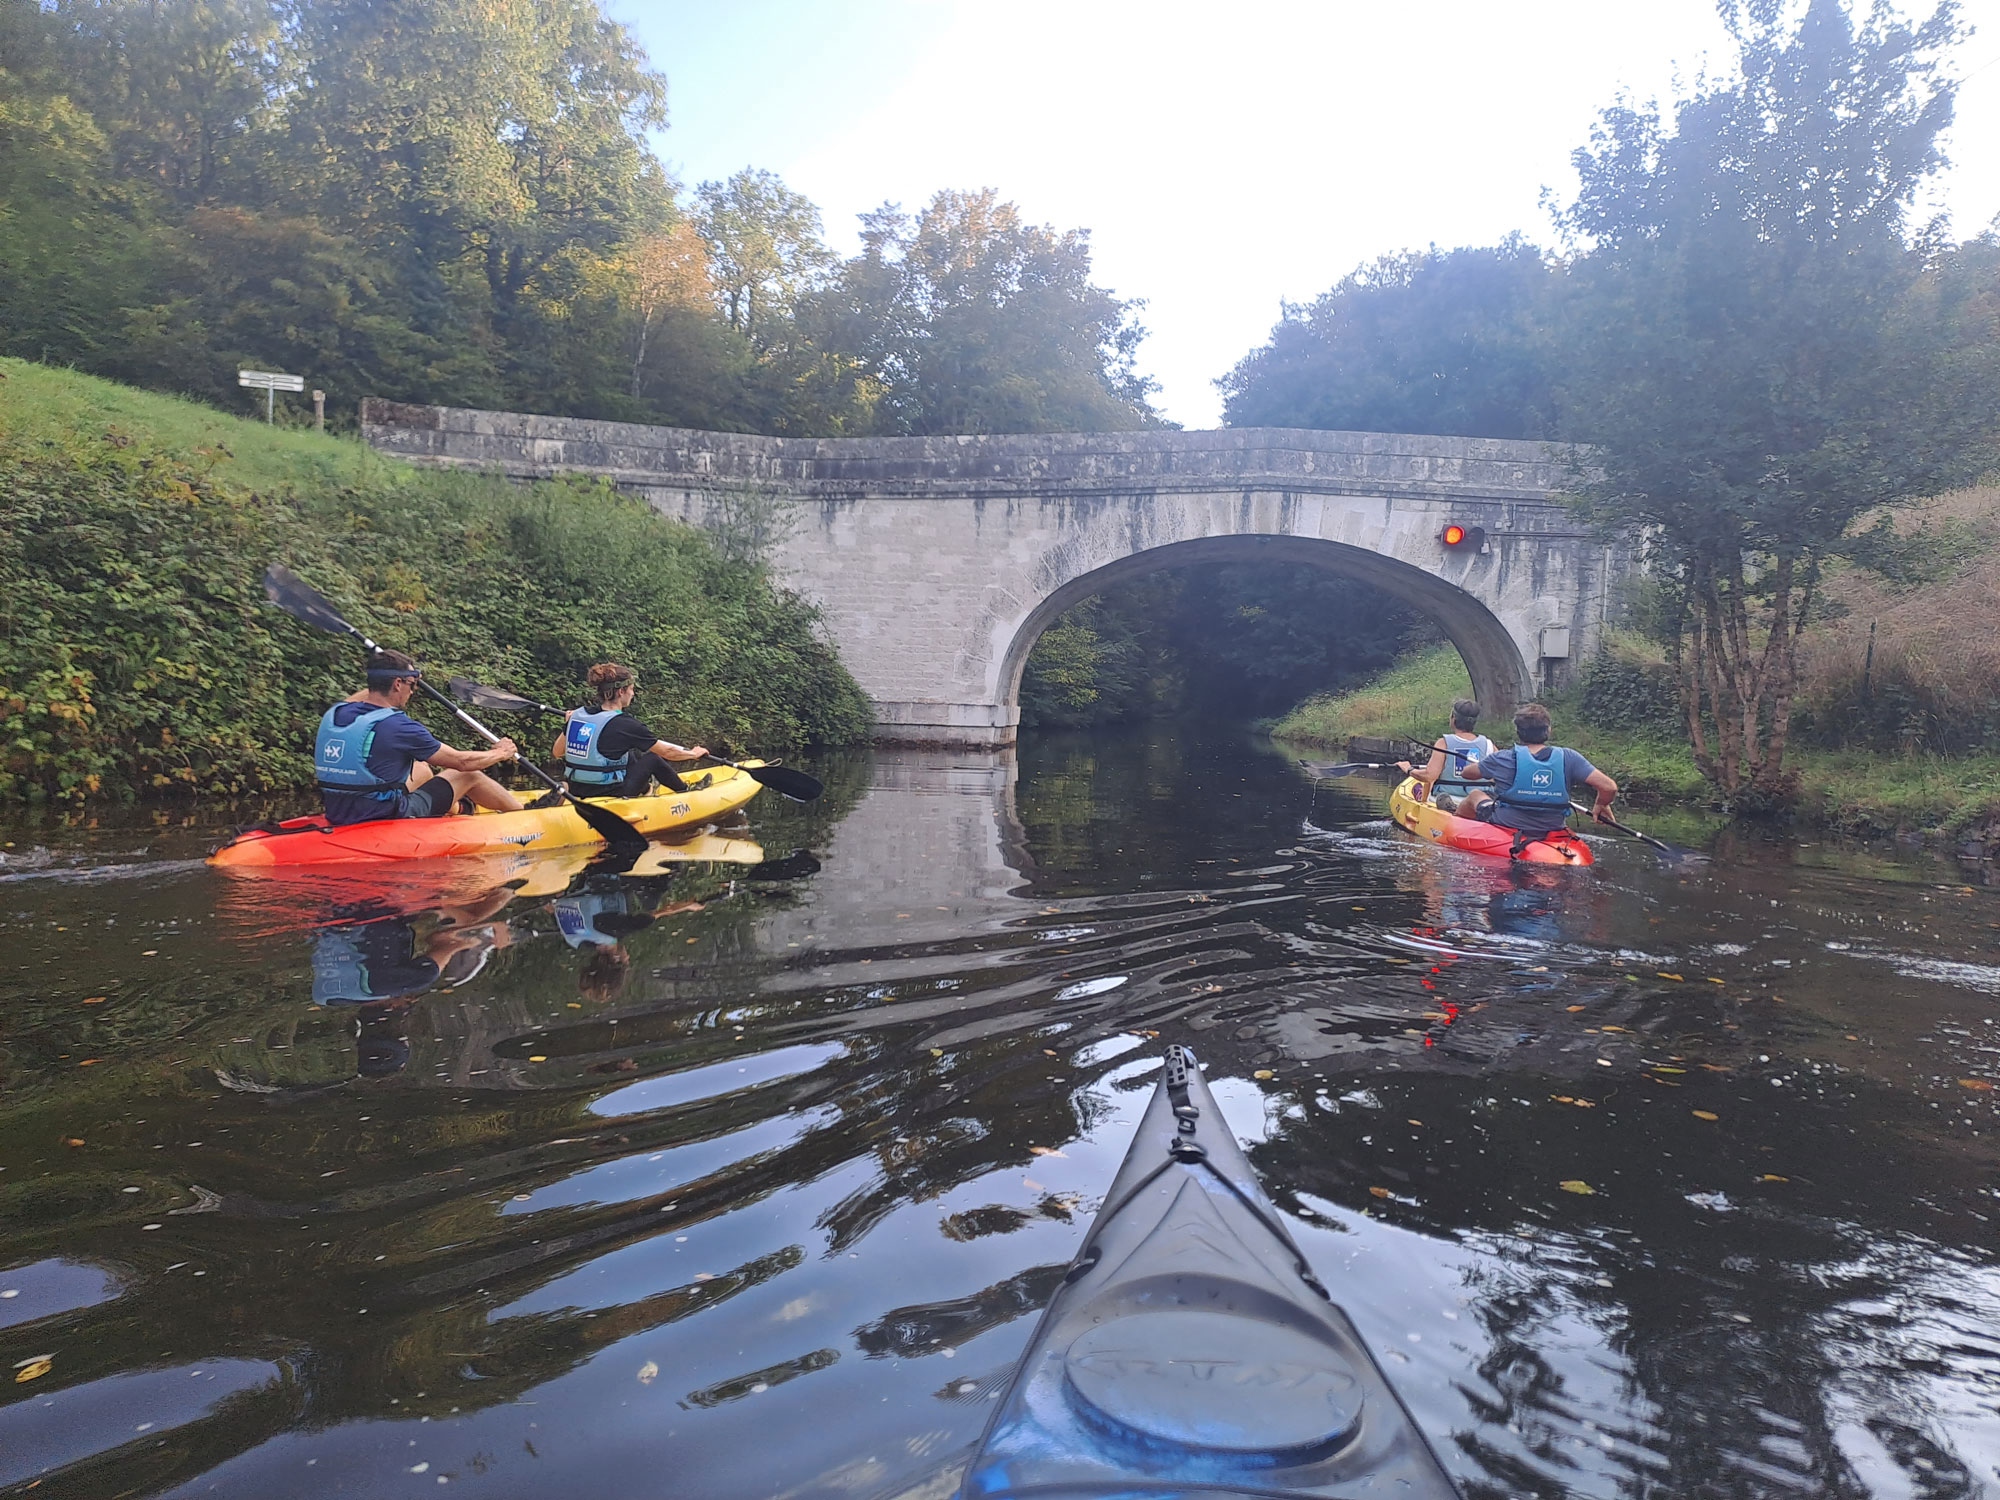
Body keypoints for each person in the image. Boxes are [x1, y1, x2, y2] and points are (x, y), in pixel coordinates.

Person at [316, 649, 523, 827]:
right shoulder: (401, 727)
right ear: (398, 684)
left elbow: (372, 691)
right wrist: (501, 752)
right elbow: (462, 762)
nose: (413, 691)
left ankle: (457, 809)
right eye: (411, 685)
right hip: (384, 814)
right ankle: (524, 815)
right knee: (470, 776)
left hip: (339, 811)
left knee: (422, 768)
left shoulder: (336, 712)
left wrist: (401, 676)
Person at [1459, 702, 1617, 850]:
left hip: (1507, 825)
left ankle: (1455, 825)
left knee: (1475, 795)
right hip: (1552, 827)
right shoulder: (1569, 757)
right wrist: (1601, 804)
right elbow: (1609, 787)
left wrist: (1487, 765)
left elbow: (1467, 774)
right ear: (1548, 730)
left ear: (1518, 732)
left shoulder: (1502, 758)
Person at [555, 662, 709, 798]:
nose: (633, 694)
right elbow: (667, 752)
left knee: (627, 752)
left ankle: (645, 789)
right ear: (621, 692)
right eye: (631, 689)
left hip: (576, 787)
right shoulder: (627, 725)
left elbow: (557, 752)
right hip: (609, 792)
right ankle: (685, 791)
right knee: (652, 758)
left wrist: (568, 724)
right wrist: (693, 754)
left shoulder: (579, 715)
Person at [1399, 697, 1496, 815]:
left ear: (1453, 718)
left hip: (1448, 797)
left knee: (1432, 789)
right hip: (1479, 802)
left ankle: (1452, 810)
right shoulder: (1489, 745)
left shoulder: (1443, 743)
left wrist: (1409, 769)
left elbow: (1429, 776)